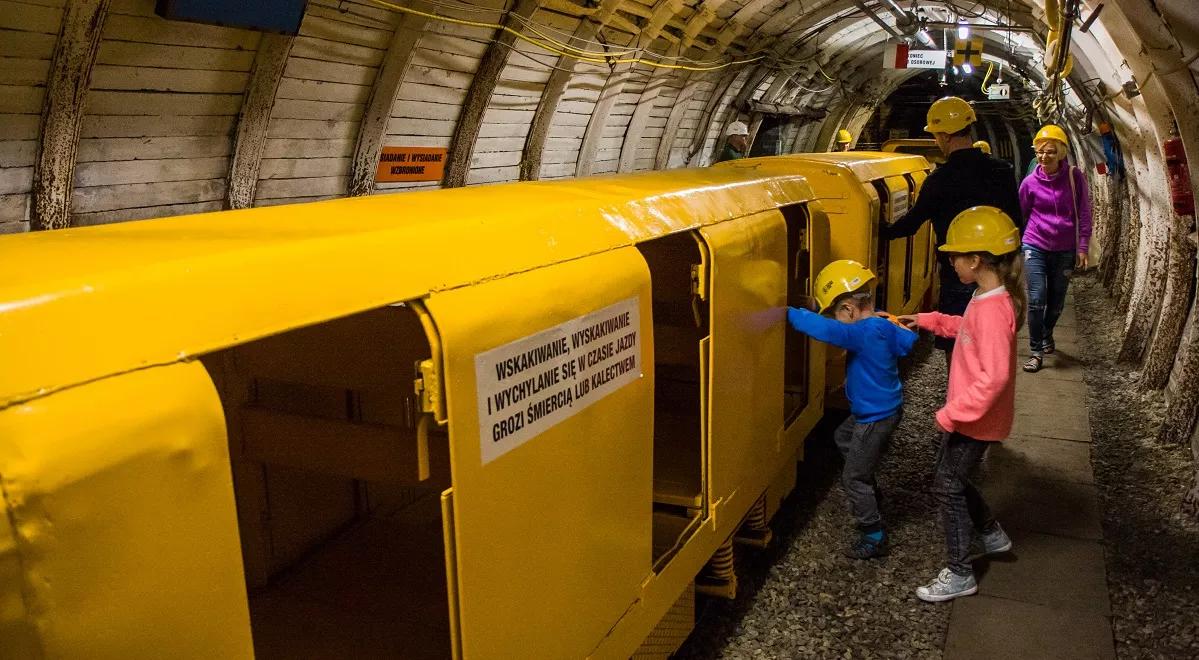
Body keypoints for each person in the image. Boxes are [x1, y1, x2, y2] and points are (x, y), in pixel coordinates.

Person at [896, 206, 1023, 602]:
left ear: (976, 259)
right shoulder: (985, 297)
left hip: (976, 419)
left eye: (955, 256)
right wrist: (927, 320)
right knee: (954, 477)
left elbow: (995, 377)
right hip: (976, 416)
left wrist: (953, 413)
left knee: (946, 487)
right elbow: (966, 330)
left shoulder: (993, 310)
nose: (951, 262)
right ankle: (990, 533)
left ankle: (959, 572)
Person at [787, 260, 917, 559]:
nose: (835, 319)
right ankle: (868, 483)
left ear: (848, 309)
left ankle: (873, 535)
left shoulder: (863, 331)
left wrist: (787, 312)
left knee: (853, 478)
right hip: (886, 409)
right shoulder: (883, 323)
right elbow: (905, 342)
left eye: (835, 313)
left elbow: (825, 330)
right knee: (843, 436)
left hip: (874, 417)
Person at [882, 97, 1022, 371]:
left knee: (956, 339)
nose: (936, 141)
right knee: (993, 333)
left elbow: (911, 223)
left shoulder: (940, 179)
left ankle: (959, 387)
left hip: (957, 271)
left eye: (936, 135)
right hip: (997, 270)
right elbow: (1016, 222)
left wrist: (882, 230)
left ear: (945, 135)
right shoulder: (1001, 172)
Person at [1020, 124, 1092, 373]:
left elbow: (1084, 212)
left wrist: (1083, 246)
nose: (1044, 157)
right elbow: (1021, 213)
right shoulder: (1029, 183)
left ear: (1061, 152)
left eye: (1050, 151)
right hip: (1035, 245)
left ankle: (1047, 332)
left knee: (1056, 302)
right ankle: (1036, 351)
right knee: (1036, 299)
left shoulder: (1074, 177)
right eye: (1040, 152)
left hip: (1065, 249)